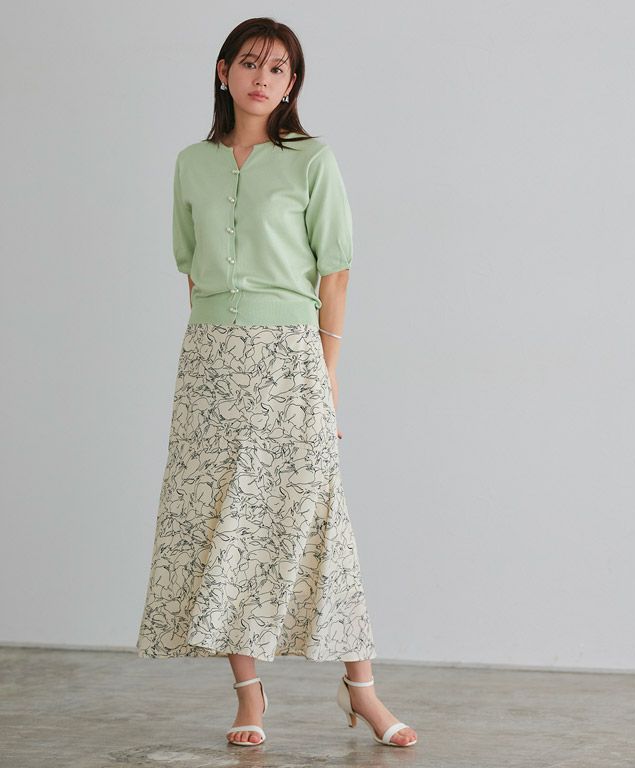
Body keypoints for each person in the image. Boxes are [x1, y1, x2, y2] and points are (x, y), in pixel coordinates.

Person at [136, 16, 418, 749]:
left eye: (279, 68)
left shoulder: (311, 160)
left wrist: (326, 375)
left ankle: (362, 690)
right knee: (222, 521)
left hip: (292, 357)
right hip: (209, 360)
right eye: (251, 62)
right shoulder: (192, 163)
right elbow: (192, 269)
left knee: (318, 517)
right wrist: (210, 357)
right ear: (223, 71)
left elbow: (336, 273)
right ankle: (249, 696)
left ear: (292, 85)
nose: (263, 78)